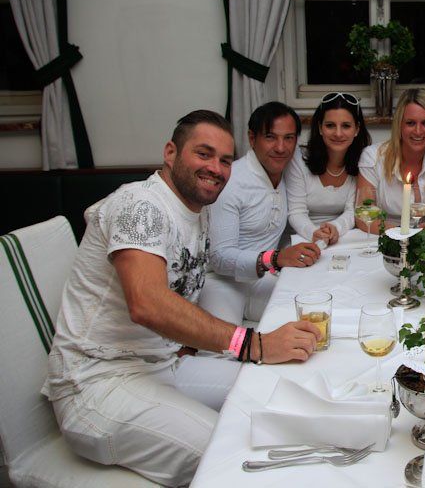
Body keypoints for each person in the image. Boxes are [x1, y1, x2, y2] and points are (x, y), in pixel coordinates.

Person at [41, 111, 322, 486]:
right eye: (203, 154)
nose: (216, 168)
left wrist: (190, 345)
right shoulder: (140, 205)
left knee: (280, 392)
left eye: (225, 160)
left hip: (164, 365)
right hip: (97, 385)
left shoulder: (196, 213)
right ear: (171, 153)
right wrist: (253, 344)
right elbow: (148, 304)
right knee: (232, 455)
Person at [198, 102, 321, 325]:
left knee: (315, 316)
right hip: (220, 282)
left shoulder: (287, 171)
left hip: (262, 278)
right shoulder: (231, 181)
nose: (281, 148)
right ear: (252, 138)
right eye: (271, 137)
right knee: (226, 344)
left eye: (289, 138)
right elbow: (219, 258)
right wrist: (275, 258)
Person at [286, 92, 370, 244]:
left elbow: (353, 211)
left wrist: (335, 228)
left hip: (342, 237)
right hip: (303, 237)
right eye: (330, 125)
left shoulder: (364, 160)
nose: (338, 133)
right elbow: (296, 212)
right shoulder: (298, 159)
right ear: (320, 128)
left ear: (357, 129)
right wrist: (314, 233)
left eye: (346, 126)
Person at [357, 88, 425, 227]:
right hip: (384, 235)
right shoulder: (373, 157)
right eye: (410, 123)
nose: (418, 131)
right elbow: (363, 217)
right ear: (399, 125)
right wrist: (403, 235)